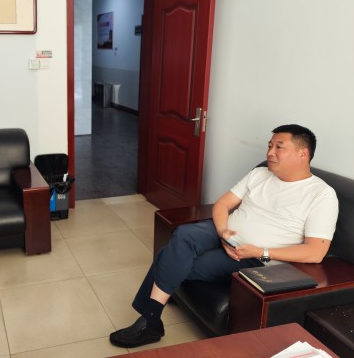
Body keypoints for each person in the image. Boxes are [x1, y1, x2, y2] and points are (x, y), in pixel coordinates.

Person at [109, 124, 339, 348]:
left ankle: (150, 320)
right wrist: (222, 233)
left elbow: (315, 252)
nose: (270, 152)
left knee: (169, 256)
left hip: (254, 257)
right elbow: (222, 204)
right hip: (225, 232)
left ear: (302, 154)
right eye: (270, 146)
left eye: (279, 147)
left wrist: (261, 252)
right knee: (184, 234)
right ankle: (151, 320)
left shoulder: (321, 195)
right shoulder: (259, 173)